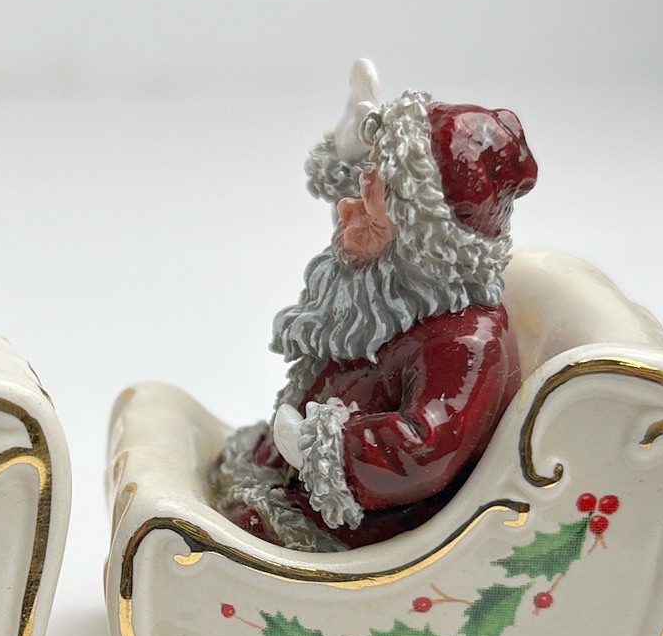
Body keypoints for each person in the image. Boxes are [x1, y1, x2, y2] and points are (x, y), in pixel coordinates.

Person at [213, 62, 537, 551]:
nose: (347, 209)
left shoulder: (466, 341)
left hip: (370, 519)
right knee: (231, 476)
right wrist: (352, 148)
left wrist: (324, 446)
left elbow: (425, 444)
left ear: (421, 240)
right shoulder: (391, 292)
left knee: (245, 530)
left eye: (373, 203)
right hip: (297, 470)